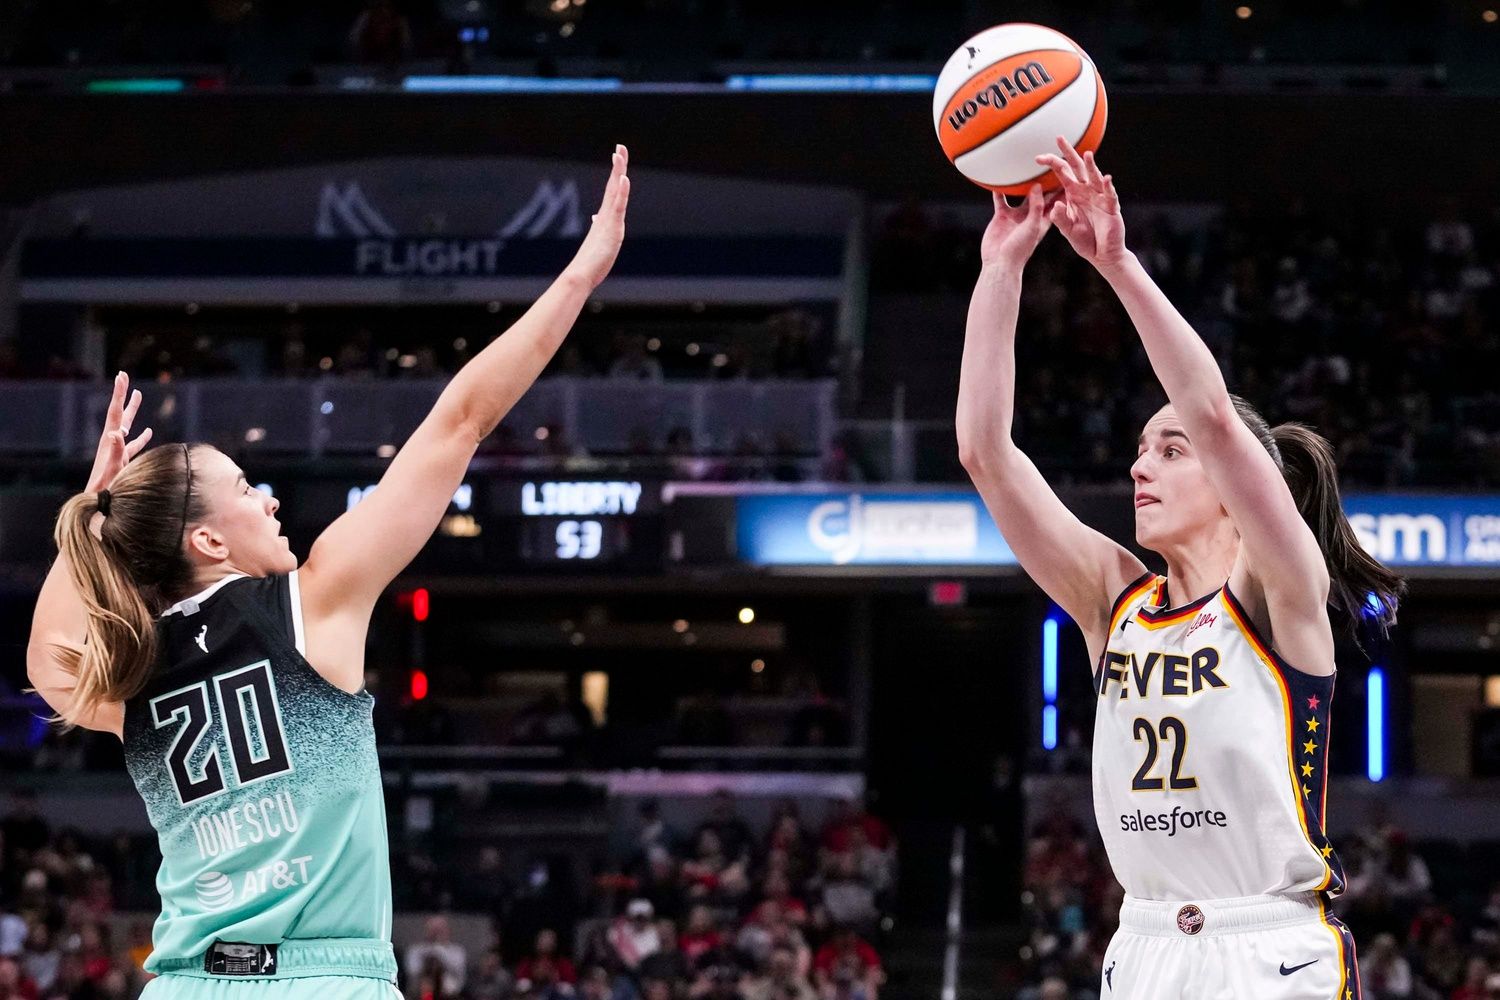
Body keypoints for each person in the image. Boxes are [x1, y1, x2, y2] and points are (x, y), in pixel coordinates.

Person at [24, 148, 631, 999]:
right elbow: (459, 419)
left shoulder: (132, 664)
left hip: (186, 984)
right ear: (208, 543)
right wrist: (578, 278)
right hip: (324, 980)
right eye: (246, 489)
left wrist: (87, 510)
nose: (268, 502)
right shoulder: (314, 598)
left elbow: (47, 663)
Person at [955, 137, 1404, 1000]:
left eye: (1169, 451)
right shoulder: (1113, 600)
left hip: (1266, 943)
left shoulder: (1280, 589)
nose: (1140, 468)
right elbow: (984, 452)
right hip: (1147, 942)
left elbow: (1214, 415)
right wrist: (1000, 270)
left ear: (1240, 490)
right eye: (1138, 450)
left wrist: (1118, 266)